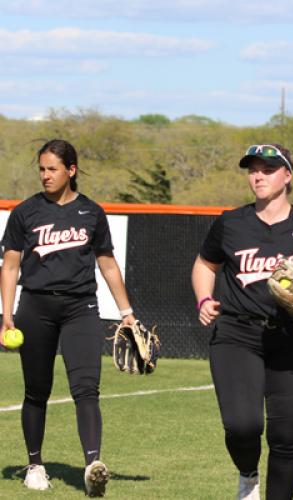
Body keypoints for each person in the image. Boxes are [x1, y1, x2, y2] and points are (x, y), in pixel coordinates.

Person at [191, 144, 293, 500]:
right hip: (236, 333)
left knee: (287, 437)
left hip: (292, 338)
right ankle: (247, 474)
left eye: (268, 169)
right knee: (243, 427)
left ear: (288, 176)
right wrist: (204, 298)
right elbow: (205, 264)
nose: (258, 175)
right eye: (252, 169)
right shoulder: (231, 223)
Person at [0, 139, 136, 497]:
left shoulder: (91, 212)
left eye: (52, 169)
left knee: (86, 388)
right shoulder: (25, 213)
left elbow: (107, 263)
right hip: (35, 308)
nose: (45, 175)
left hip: (80, 307)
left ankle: (93, 466)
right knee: (37, 390)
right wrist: (7, 315)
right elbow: (10, 265)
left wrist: (127, 313)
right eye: (41, 169)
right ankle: (35, 465)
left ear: (71, 171)